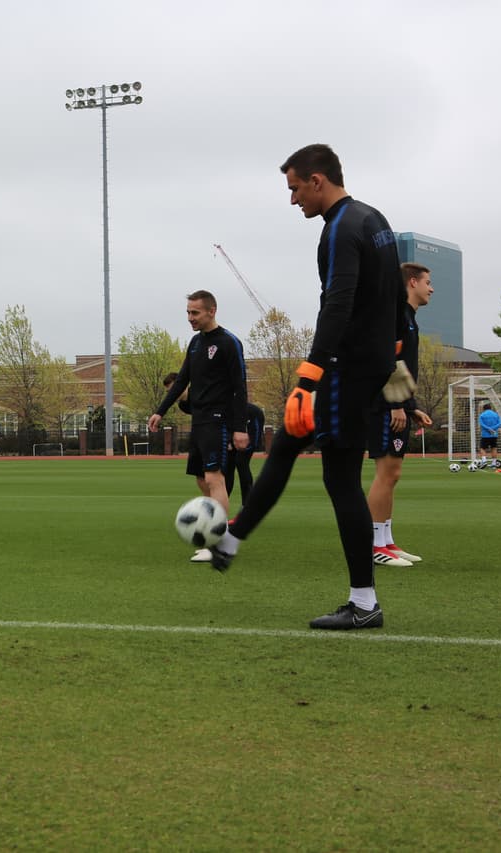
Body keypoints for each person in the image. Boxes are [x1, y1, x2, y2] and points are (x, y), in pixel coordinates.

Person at [207, 143, 413, 631]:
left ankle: (364, 604)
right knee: (284, 449)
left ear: (318, 180)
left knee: (340, 480)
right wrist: (394, 359)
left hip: (347, 369)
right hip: (368, 366)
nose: (293, 199)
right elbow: (390, 304)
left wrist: (309, 378)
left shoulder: (341, 227)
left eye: (295, 188)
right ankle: (233, 537)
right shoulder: (374, 219)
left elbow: (338, 304)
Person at [148, 291, 249, 563]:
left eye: (195, 313)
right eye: (188, 313)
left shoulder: (229, 343)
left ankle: (221, 543)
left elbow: (240, 386)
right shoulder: (194, 343)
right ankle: (213, 530)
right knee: (202, 479)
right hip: (199, 419)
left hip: (219, 419)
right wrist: (160, 411)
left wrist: (239, 427)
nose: (190, 318)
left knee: (215, 479)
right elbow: (181, 381)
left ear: (212, 311)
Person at [368, 263, 435, 568]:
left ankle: (387, 541)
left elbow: (404, 368)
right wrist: (395, 404)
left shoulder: (408, 317)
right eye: (428, 282)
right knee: (386, 473)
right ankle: (373, 545)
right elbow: (387, 360)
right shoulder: (395, 314)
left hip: (397, 405)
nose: (431, 288)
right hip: (384, 406)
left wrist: (411, 406)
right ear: (412, 282)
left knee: (393, 475)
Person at [225, 402, 266, 509]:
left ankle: (247, 505)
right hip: (235, 429)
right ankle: (222, 503)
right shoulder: (218, 409)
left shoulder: (253, 411)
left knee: (241, 462)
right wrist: (228, 441)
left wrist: (251, 443)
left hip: (252, 423)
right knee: (228, 466)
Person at [478, 403, 501, 468]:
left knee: (482, 448)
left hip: (485, 435)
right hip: (494, 434)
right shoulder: (496, 415)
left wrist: (489, 429)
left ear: (483, 409)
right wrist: (493, 429)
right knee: (494, 448)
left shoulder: (482, 415)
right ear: (491, 408)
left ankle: (484, 461)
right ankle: (494, 463)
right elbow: (500, 424)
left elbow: (482, 424)